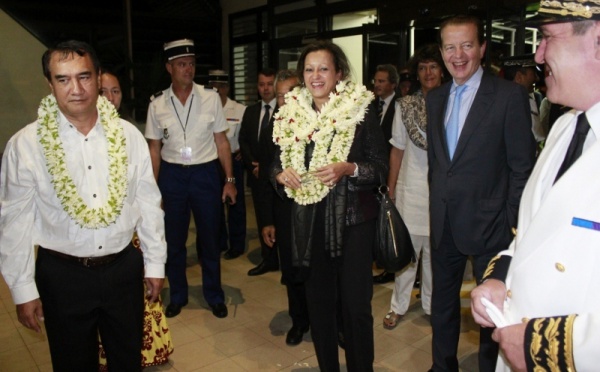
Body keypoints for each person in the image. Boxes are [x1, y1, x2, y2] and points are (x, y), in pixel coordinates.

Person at [0, 40, 167, 370]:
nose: (75, 89)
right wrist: (22, 290)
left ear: (98, 77)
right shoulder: (26, 145)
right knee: (72, 363)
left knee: (127, 361)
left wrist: (155, 264)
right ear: (50, 84)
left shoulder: (128, 136)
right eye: (63, 79)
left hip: (122, 270)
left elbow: (148, 202)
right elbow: (14, 220)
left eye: (84, 76)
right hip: (63, 275)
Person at [471, 2, 600, 371]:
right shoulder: (565, 127)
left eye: (547, 38)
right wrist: (499, 277)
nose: (539, 55)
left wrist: (539, 346)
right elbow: (530, 235)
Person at [426, 15, 536, 372]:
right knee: (441, 308)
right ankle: (443, 367)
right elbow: (439, 164)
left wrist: (510, 225)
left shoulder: (508, 97)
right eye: (450, 46)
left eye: (467, 45)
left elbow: (523, 168)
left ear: (482, 48)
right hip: (444, 223)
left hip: (491, 228)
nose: (458, 55)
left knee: (491, 315)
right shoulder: (435, 98)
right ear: (441, 51)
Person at [271, 40, 388, 371]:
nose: (315, 76)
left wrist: (348, 169)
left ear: (338, 73)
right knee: (319, 306)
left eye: (323, 68)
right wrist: (280, 175)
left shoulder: (362, 112)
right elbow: (273, 163)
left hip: (353, 224)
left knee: (355, 309)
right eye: (309, 69)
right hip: (309, 223)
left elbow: (380, 168)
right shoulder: (291, 114)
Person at [145, 39, 236, 319]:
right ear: (169, 68)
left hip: (205, 173)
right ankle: (179, 295)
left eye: (192, 63)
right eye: (182, 64)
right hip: (172, 176)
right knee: (174, 240)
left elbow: (221, 141)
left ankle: (214, 295)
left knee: (210, 237)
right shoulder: (157, 103)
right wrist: (153, 190)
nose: (188, 69)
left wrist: (229, 178)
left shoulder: (210, 97)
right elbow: (154, 149)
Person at [98, 69, 173, 369]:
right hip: (88, 244)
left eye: (115, 91)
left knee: (134, 309)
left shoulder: (129, 134)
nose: (110, 97)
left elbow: (144, 194)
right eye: (104, 90)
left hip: (129, 239)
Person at [382, 44, 445, 330]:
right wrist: (391, 189)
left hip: (443, 192)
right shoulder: (405, 106)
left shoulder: (453, 103)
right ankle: (398, 306)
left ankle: (432, 306)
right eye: (422, 68)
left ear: (442, 70)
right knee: (407, 254)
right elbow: (397, 150)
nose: (428, 72)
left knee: (435, 255)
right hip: (412, 190)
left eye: (433, 66)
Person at [258, 69, 310, 346]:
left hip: (315, 212)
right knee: (292, 270)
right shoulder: (271, 131)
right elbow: (265, 181)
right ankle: (299, 321)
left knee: (320, 270)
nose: (285, 101)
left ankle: (330, 322)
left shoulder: (318, 125)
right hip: (285, 211)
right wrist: (267, 221)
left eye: (291, 95)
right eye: (280, 96)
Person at [239, 68, 280, 276]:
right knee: (263, 217)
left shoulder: (285, 112)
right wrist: (252, 165)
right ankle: (268, 259)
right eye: (261, 84)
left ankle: (285, 260)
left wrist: (265, 167)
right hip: (257, 177)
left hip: (278, 177)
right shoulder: (251, 111)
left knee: (280, 218)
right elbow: (243, 140)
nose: (265, 88)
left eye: (269, 84)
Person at [208, 69, 247, 260]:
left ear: (227, 88)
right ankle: (220, 242)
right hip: (212, 162)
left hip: (232, 161)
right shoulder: (205, 109)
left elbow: (245, 137)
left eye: (221, 87)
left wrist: (243, 151)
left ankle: (237, 244)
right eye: (214, 87)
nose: (218, 91)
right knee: (214, 205)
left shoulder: (239, 109)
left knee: (235, 205)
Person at [502, 55, 547, 143]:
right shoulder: (515, 104)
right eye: (533, 73)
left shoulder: (505, 101)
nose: (536, 78)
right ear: (519, 77)